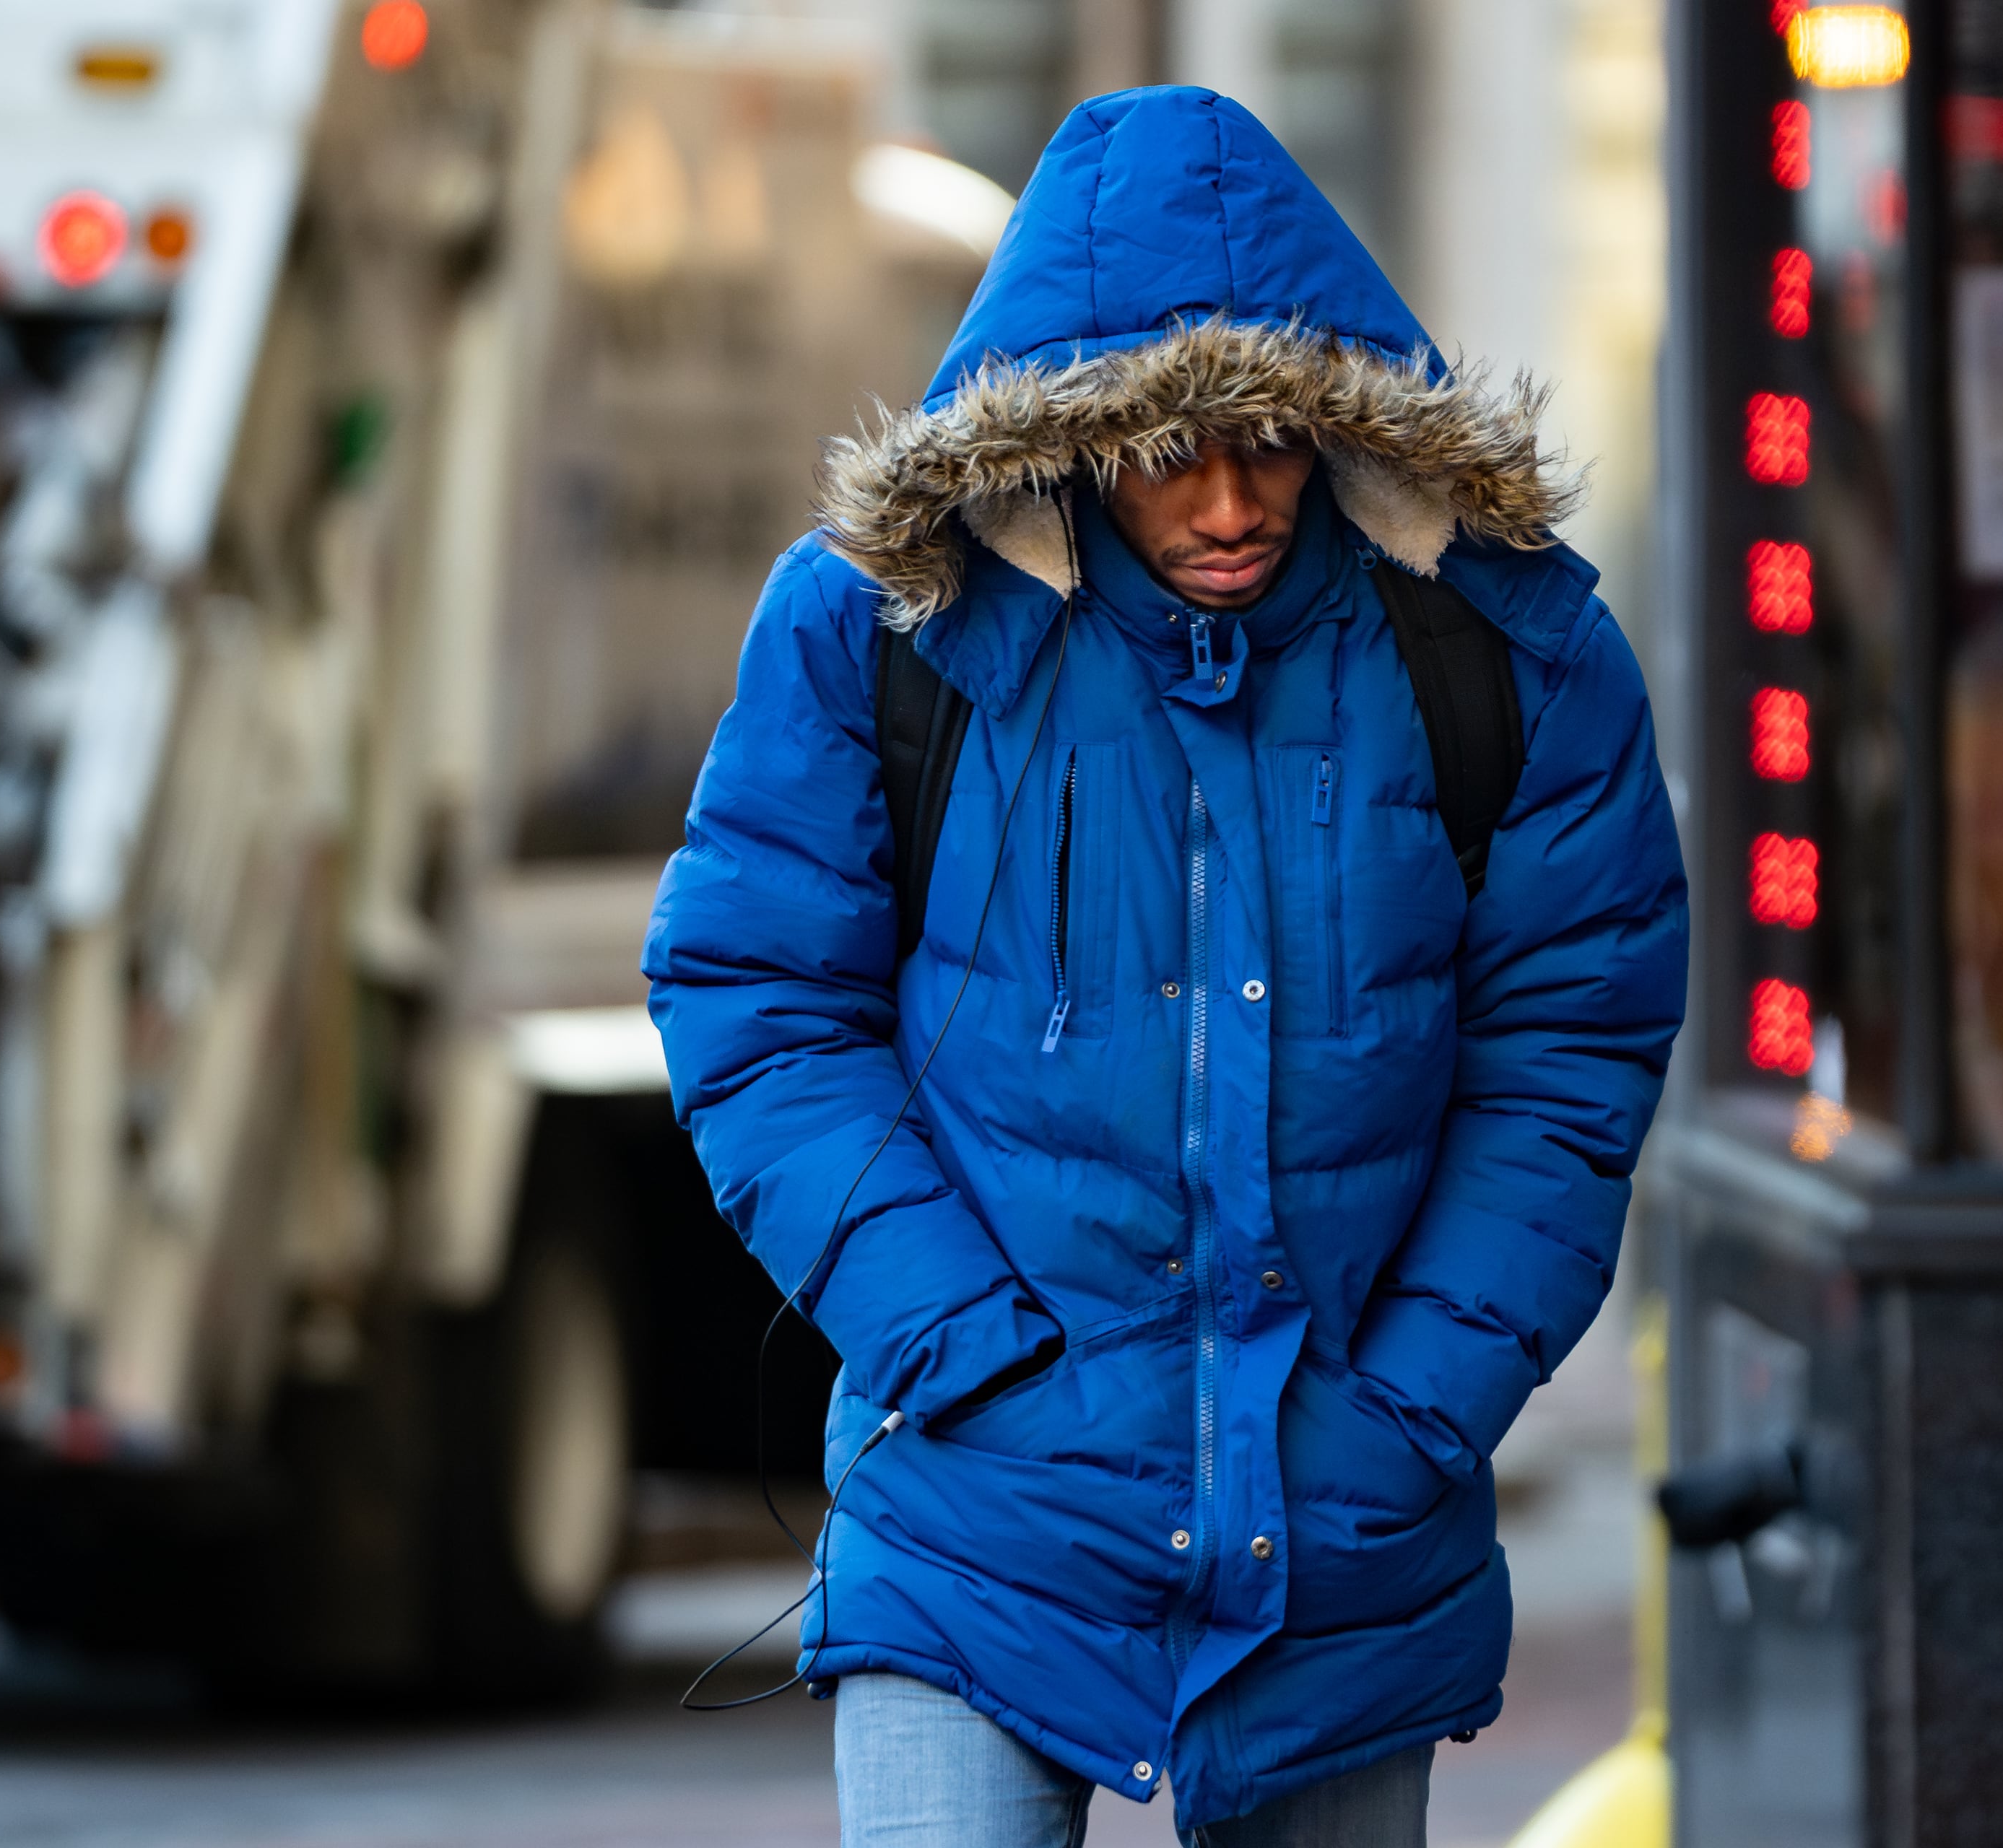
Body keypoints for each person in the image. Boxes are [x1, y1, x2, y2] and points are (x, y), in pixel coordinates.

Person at [644, 86, 1687, 1847]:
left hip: (1339, 1535)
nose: (1227, 500)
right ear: (1065, 438)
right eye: (1164, 449)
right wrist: (957, 1349)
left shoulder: (1504, 643)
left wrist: (1415, 1402)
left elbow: (1572, 1043)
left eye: (1268, 438)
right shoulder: (881, 629)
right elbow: (758, 1000)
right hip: (972, 1515)